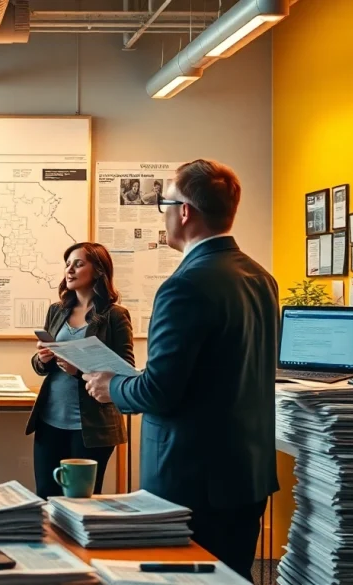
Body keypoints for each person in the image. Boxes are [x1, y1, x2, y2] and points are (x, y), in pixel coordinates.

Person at [83, 159, 278, 581]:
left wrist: (111, 386)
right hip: (248, 475)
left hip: (191, 482)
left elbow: (159, 390)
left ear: (185, 211)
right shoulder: (261, 277)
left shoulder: (185, 285)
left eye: (164, 204)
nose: (164, 214)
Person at [25, 242, 132, 498]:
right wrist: (43, 358)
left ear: (98, 271)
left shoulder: (115, 316)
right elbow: (41, 366)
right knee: (45, 496)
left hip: (92, 427)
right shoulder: (57, 310)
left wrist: (79, 369)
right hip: (50, 420)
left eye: (78, 264)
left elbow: (126, 371)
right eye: (67, 264)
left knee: (81, 500)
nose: (69, 270)